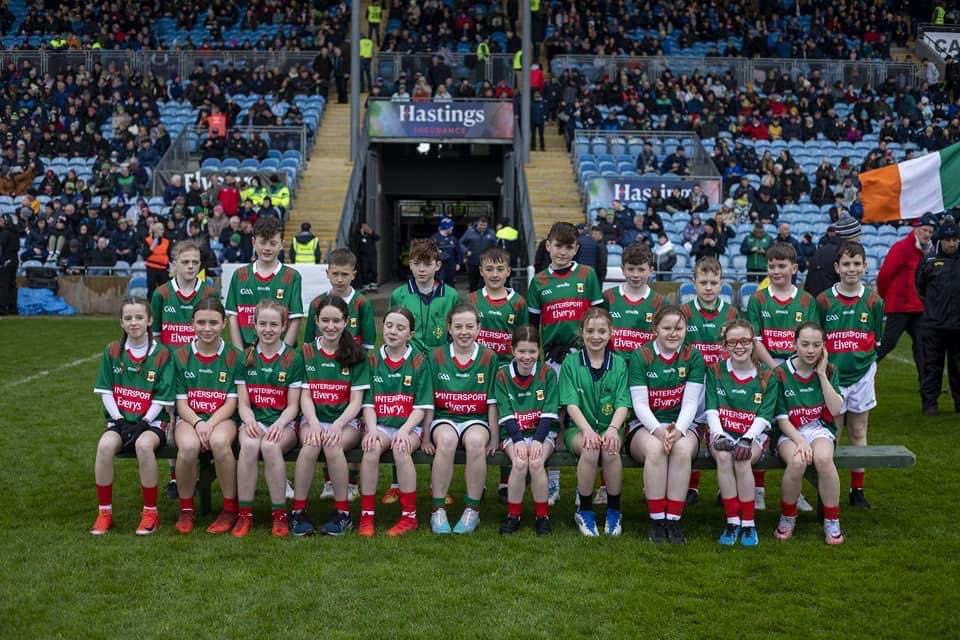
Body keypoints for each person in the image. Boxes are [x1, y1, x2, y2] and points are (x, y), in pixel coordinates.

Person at [527, 221, 604, 505]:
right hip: (553, 358)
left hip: (584, 356)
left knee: (586, 417)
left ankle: (583, 485)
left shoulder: (587, 275)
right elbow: (533, 326)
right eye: (557, 246)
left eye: (568, 247)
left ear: (576, 249)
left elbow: (599, 318)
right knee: (554, 418)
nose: (562, 252)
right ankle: (554, 482)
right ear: (548, 246)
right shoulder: (539, 281)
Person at [90, 297, 175, 535]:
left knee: (144, 446)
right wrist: (118, 420)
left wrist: (144, 421)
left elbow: (162, 397)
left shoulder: (162, 353)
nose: (134, 323)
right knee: (105, 446)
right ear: (121, 322)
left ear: (149, 320)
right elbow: (105, 390)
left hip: (152, 421)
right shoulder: (113, 350)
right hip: (120, 420)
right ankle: (104, 512)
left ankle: (150, 513)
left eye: (139, 317)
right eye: (128, 318)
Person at [746, 243, 818, 511]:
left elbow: (810, 338)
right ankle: (758, 489)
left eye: (782, 266)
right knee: (762, 425)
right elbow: (755, 339)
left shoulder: (806, 300)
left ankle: (796, 491)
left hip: (799, 366)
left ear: (794, 268)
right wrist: (774, 367)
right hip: (767, 367)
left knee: (795, 424)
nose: (776, 271)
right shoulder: (758, 299)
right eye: (772, 266)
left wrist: (794, 365)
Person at [291, 296, 369, 536]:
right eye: (325, 320)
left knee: (332, 445)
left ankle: (343, 514)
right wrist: (314, 423)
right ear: (316, 321)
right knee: (312, 444)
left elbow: (356, 402)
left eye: (336, 320)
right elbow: (305, 396)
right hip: (313, 418)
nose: (330, 326)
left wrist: (337, 424)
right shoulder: (307, 352)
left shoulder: (356, 354)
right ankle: (297, 513)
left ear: (346, 321)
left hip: (346, 421)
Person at [628, 305, 706, 544]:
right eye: (667, 328)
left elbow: (691, 401)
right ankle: (656, 520)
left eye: (679, 328)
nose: (673, 333)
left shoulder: (693, 356)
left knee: (682, 451)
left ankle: (673, 520)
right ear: (655, 329)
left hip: (682, 424)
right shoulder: (641, 355)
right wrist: (660, 431)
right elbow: (639, 404)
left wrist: (679, 430)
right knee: (656, 449)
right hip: (645, 425)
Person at [150, 240, 220, 498]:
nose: (190, 267)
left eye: (195, 263)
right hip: (171, 371)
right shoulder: (162, 294)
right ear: (174, 264)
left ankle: (204, 469)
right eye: (185, 262)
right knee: (171, 423)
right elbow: (156, 337)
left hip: (203, 369)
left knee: (203, 418)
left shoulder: (209, 292)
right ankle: (173, 478)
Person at [421, 304, 499, 535]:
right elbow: (428, 402)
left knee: (476, 443)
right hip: (445, 417)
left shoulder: (488, 357)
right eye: (458, 326)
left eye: (469, 326)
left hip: (476, 418)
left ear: (478, 328)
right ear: (449, 328)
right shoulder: (435, 356)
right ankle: (438, 509)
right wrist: (426, 436)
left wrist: (494, 437)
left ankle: (472, 510)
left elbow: (492, 402)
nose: (464, 332)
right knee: (445, 441)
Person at [817, 242, 884, 508]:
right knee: (833, 432)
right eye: (846, 264)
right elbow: (818, 339)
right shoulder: (824, 300)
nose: (852, 269)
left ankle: (857, 489)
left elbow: (876, 338)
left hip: (862, 375)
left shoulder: (873, 301)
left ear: (865, 266)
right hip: (832, 376)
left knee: (858, 430)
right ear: (837, 267)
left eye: (857, 264)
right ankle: (828, 488)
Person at [357, 308, 434, 537]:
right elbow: (368, 403)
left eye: (400, 328)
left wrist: (404, 429)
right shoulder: (371, 360)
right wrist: (371, 430)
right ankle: (367, 515)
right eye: (389, 325)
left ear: (410, 334)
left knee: (401, 449)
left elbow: (422, 406)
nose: (393, 331)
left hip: (409, 426)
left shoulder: (419, 362)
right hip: (379, 424)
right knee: (370, 448)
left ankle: (409, 516)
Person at [233, 301, 304, 537]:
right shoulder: (246, 357)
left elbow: (293, 406)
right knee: (250, 444)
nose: (268, 329)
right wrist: (249, 420)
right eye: (262, 323)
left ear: (284, 326)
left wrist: (279, 424)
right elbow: (243, 403)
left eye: (274, 324)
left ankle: (279, 515)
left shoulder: (293, 358)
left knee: (271, 446)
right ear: (254, 325)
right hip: (255, 420)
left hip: (283, 422)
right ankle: (245, 515)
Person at [171, 299, 242, 534]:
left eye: (213, 322)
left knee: (220, 442)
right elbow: (181, 403)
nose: (207, 328)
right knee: (189, 447)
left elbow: (232, 401)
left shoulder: (234, 356)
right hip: (190, 418)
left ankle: (230, 509)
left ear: (223, 323)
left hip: (222, 418)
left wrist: (210, 423)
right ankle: (186, 510)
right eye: (201, 322)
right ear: (192, 323)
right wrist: (199, 422)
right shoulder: (180, 355)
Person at [706, 320, 779, 547]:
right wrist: (718, 435)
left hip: (753, 435)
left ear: (753, 343)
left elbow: (765, 416)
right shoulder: (716, 371)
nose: (740, 346)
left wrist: (747, 438)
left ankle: (748, 523)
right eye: (733, 342)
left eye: (745, 341)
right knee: (725, 457)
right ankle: (732, 520)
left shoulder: (767, 376)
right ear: (725, 346)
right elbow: (711, 408)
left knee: (742, 457)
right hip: (723, 432)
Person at [773, 322, 846, 545]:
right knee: (797, 462)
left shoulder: (830, 369)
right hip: (789, 432)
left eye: (816, 345)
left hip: (819, 429)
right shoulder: (780, 373)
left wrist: (822, 375)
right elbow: (782, 418)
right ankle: (788, 516)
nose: (810, 350)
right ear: (794, 344)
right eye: (804, 344)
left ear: (823, 346)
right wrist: (800, 442)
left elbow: (835, 409)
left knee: (824, 458)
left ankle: (832, 520)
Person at [561, 308, 631, 537]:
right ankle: (585, 510)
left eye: (602, 331)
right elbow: (570, 404)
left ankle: (614, 510)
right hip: (579, 429)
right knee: (591, 448)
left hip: (610, 427)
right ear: (582, 332)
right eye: (590, 330)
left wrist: (612, 429)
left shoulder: (619, 363)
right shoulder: (571, 363)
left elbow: (623, 403)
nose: (596, 336)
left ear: (611, 332)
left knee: (610, 450)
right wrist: (588, 430)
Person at [467, 247, 528, 503]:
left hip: (507, 373)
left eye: (499, 269)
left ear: (508, 271)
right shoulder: (471, 300)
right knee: (479, 423)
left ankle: (506, 481)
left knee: (507, 422)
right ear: (481, 271)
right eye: (489, 269)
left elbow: (523, 338)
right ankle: (477, 483)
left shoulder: (518, 302)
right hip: (478, 372)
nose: (494, 274)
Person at [680, 256, 740, 504]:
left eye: (713, 282)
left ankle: (722, 486)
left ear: (721, 283)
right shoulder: (684, 312)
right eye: (703, 282)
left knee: (720, 432)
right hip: (691, 383)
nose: (708, 287)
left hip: (721, 383)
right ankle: (691, 486)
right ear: (693, 283)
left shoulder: (731, 312)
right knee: (693, 430)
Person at [494, 326, 559, 535]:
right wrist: (519, 440)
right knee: (521, 463)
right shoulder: (503, 375)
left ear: (539, 351)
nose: (527, 357)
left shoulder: (547, 374)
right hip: (514, 434)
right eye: (522, 351)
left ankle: (543, 516)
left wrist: (538, 440)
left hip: (542, 433)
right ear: (513, 350)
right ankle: (513, 515)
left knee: (536, 462)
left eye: (532, 352)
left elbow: (549, 412)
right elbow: (505, 411)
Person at [877, 213, 937, 389]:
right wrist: (886, 297)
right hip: (899, 307)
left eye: (930, 231)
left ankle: (926, 386)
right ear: (916, 229)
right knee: (887, 343)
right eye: (924, 229)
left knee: (923, 347)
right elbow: (885, 276)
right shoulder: (902, 247)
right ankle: (862, 374)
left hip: (918, 308)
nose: (927, 234)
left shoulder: (929, 250)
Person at [225, 216, 303, 348]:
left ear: (282, 244)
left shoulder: (292, 276)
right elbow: (233, 317)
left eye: (273, 243)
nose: (267, 248)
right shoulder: (239, 275)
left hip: (279, 353)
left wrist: (283, 354)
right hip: (246, 350)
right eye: (262, 242)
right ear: (253, 242)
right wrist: (239, 353)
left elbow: (295, 318)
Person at [915, 221, 960, 414]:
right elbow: (920, 286)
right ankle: (930, 403)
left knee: (958, 368)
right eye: (948, 240)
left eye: (955, 239)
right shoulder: (929, 260)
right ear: (940, 240)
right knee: (931, 366)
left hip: (958, 326)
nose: (952, 244)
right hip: (933, 325)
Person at [388, 238, 460, 355]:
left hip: (441, 360)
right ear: (410, 264)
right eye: (416, 264)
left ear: (438, 265)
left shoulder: (451, 296)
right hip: (409, 360)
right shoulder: (398, 295)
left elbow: (457, 332)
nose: (421, 269)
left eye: (427, 264)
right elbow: (391, 330)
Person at [304, 248, 376, 349]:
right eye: (335, 274)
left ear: (353, 275)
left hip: (353, 360)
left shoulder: (362, 303)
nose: (339, 279)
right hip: (321, 361)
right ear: (327, 274)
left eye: (344, 274)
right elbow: (308, 344)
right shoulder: (317, 303)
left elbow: (368, 345)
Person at [603, 244, 666, 354]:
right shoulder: (608, 296)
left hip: (645, 368)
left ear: (651, 270)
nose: (635, 275)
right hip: (613, 366)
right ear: (622, 269)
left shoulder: (661, 302)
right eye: (631, 269)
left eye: (641, 270)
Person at [804, 215, 861, 296]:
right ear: (851, 235)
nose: (859, 239)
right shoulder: (844, 253)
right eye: (858, 235)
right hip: (831, 302)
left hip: (813, 300)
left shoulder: (822, 250)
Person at [460, 216, 497, 292]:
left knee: (484, 281)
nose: (482, 227)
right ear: (477, 224)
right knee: (473, 281)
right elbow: (460, 243)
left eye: (484, 225)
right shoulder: (470, 232)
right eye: (481, 225)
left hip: (486, 262)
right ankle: (472, 297)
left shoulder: (491, 233)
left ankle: (483, 298)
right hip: (473, 261)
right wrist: (466, 251)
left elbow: (496, 246)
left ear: (487, 225)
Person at [432, 217, 463, 286]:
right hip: (439, 269)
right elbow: (430, 253)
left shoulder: (453, 238)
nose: (453, 228)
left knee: (451, 286)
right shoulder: (434, 238)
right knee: (439, 286)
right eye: (451, 226)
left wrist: (458, 263)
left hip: (451, 268)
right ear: (446, 227)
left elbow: (459, 252)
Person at [143, 222, 170, 300]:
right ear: (156, 230)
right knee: (151, 289)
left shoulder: (166, 241)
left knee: (164, 290)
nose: (163, 231)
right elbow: (145, 255)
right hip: (151, 268)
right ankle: (151, 307)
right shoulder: (148, 240)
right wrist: (152, 247)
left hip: (163, 269)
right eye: (161, 229)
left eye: (163, 229)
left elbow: (169, 255)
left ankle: (164, 307)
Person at [351, 223, 380, 291]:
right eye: (364, 227)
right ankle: (366, 285)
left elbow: (378, 238)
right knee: (364, 271)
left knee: (374, 270)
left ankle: (373, 285)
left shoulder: (371, 235)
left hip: (372, 255)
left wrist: (371, 232)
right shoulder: (358, 236)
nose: (365, 228)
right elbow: (356, 244)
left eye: (366, 227)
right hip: (363, 256)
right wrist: (362, 235)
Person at [0, 214, 18, 315]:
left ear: (6, 221)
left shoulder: (5, 233)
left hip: (6, 260)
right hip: (14, 260)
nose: (0, 222)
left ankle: (2, 309)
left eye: (1, 220)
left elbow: (1, 247)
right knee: (12, 285)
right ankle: (13, 309)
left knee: (3, 285)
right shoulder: (14, 232)